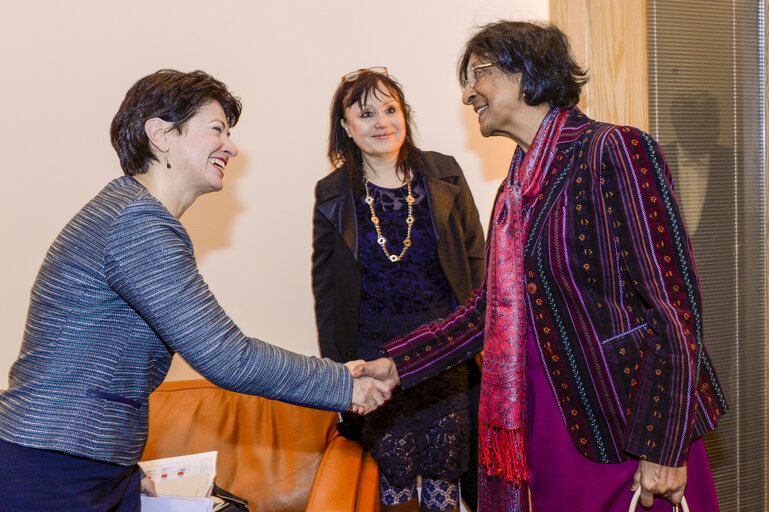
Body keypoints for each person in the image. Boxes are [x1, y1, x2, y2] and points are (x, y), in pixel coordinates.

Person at [355, 22, 728, 512]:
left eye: (478, 75)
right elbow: (486, 314)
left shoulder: (612, 151)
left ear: (525, 73)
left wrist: (665, 446)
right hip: (551, 429)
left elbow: (675, 309)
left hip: (632, 423)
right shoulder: (514, 190)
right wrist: (397, 366)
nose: (468, 93)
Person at [0, 69, 392, 512]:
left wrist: (132, 473)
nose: (231, 145)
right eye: (217, 129)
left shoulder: (130, 212)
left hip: (83, 462)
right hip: (54, 468)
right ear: (161, 135)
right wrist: (343, 384)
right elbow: (227, 355)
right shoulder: (138, 223)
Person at [312, 67, 485, 512]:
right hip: (374, 358)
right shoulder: (332, 193)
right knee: (393, 482)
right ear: (346, 128)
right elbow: (328, 292)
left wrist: (482, 338)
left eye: (391, 109)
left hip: (444, 354)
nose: (382, 122)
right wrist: (337, 379)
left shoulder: (444, 173)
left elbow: (477, 261)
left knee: (445, 478)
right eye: (366, 113)